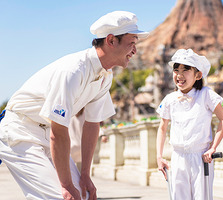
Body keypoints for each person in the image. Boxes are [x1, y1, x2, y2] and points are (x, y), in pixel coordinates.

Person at [0, 11, 148, 200]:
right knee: (62, 196)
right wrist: (67, 184)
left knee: (83, 194)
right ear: (111, 40)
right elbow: (58, 131)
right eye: (132, 43)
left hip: (45, 132)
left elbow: (92, 123)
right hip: (20, 131)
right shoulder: (74, 71)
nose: (135, 50)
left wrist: (85, 175)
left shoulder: (105, 76)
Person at [156, 49, 223, 200]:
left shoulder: (206, 94)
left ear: (198, 75)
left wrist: (213, 148)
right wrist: (159, 156)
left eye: (185, 70)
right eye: (176, 70)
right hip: (178, 156)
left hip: (200, 157)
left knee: (202, 196)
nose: (179, 75)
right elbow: (162, 128)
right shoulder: (170, 99)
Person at [69, 108, 108, 172]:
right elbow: (94, 127)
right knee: (81, 172)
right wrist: (102, 135)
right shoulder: (86, 114)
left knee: (72, 171)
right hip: (82, 148)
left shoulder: (70, 114)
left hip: (72, 147)